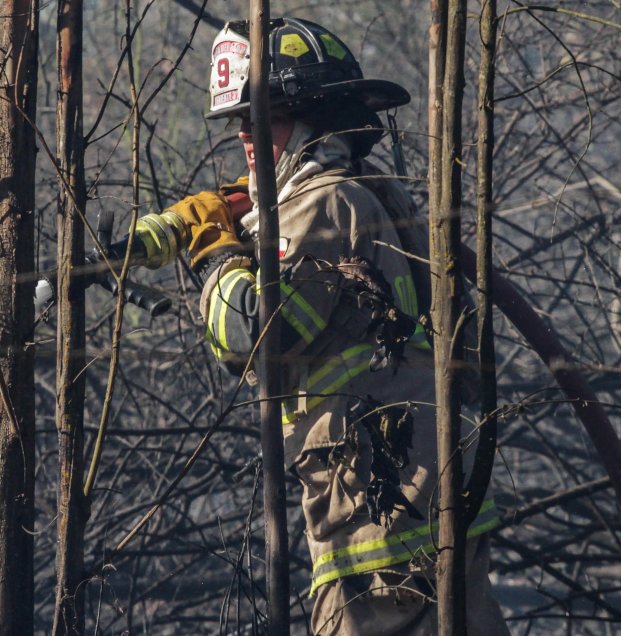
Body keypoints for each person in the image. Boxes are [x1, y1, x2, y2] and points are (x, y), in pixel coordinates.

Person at [130, 18, 508, 635]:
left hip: (372, 512)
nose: (249, 140)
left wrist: (214, 251)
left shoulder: (324, 202)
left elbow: (254, 333)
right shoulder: (375, 194)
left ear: (314, 119)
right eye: (241, 126)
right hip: (428, 496)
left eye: (267, 118)